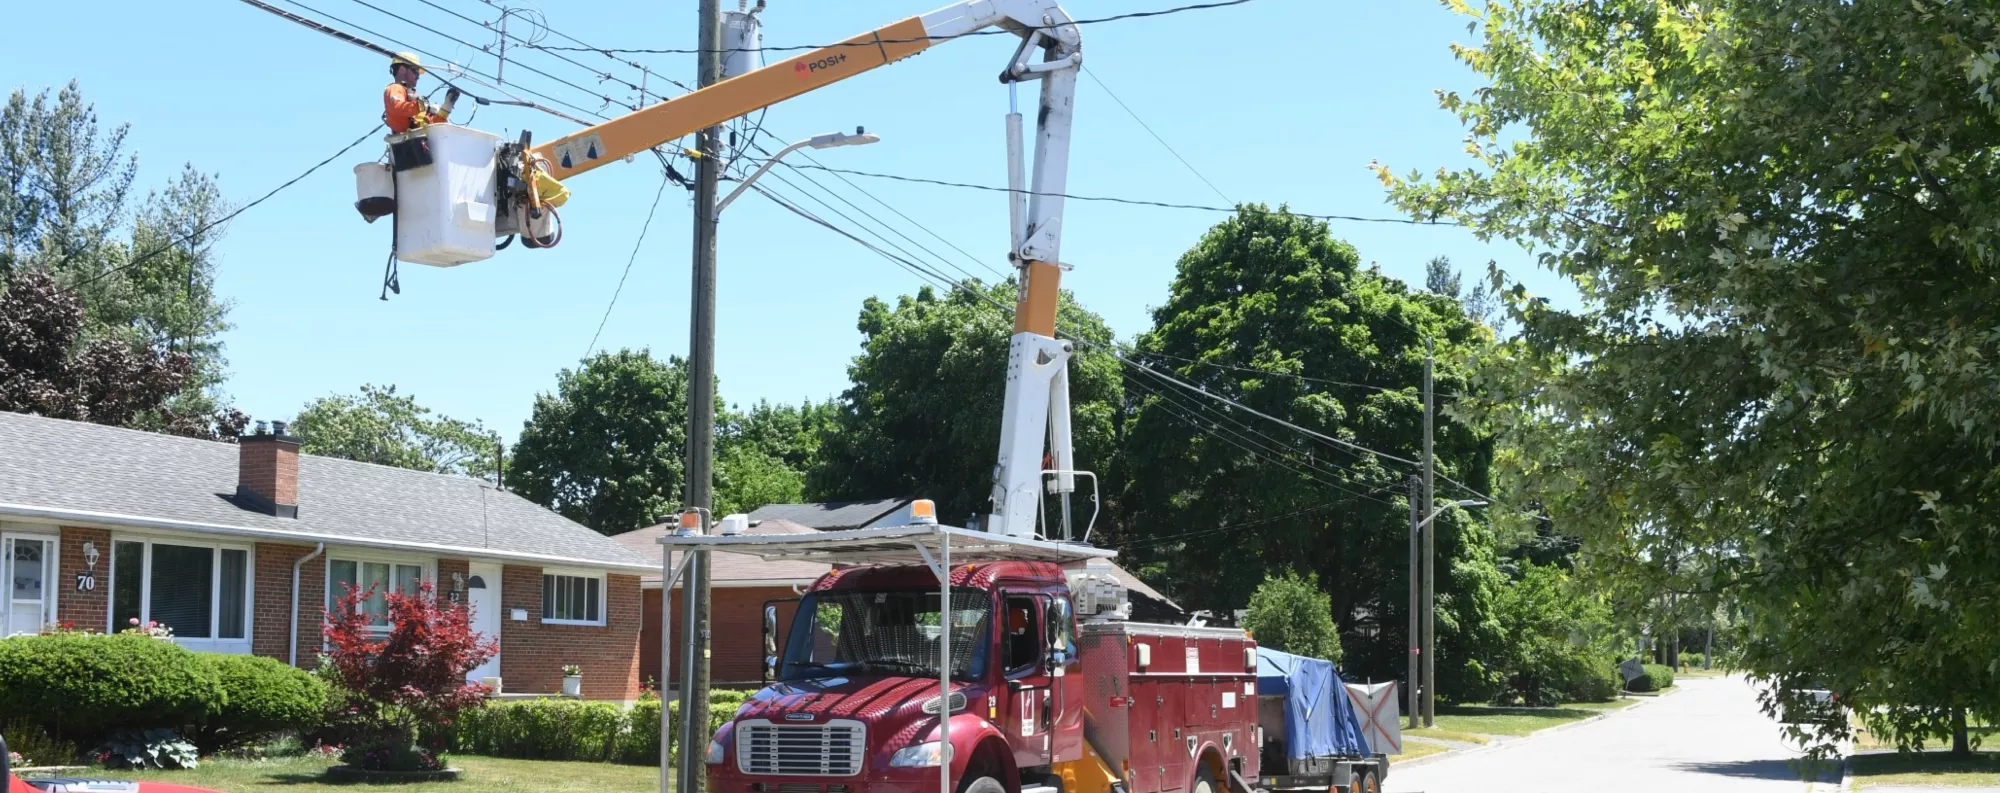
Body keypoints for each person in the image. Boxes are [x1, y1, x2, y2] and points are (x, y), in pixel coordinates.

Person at [383, 52, 459, 134]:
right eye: (415, 71)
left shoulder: (412, 98)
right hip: (407, 142)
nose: (418, 76)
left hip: (419, 140)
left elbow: (429, 124)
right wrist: (425, 107)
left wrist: (445, 110)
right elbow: (397, 107)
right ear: (402, 69)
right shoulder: (395, 88)